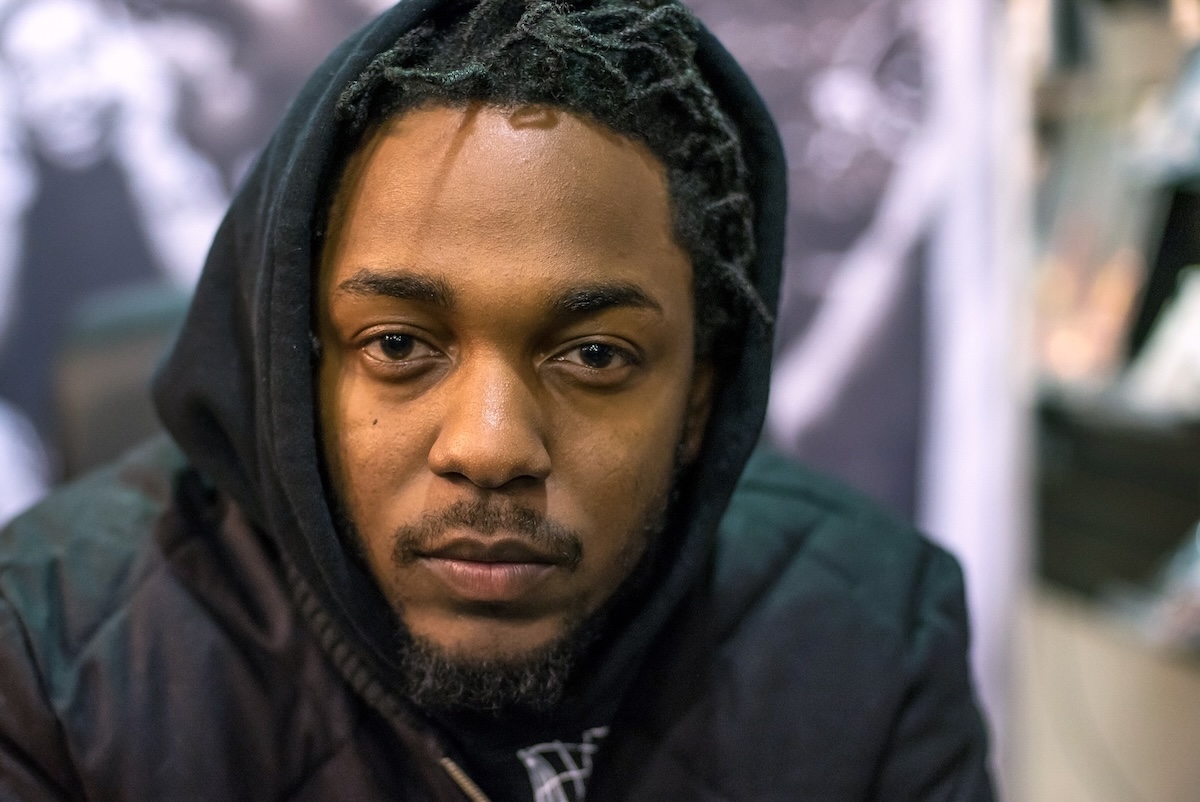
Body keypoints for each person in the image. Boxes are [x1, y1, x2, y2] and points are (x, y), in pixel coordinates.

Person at [0, 0, 994, 799]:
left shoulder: (870, 637)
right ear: (298, 365)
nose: (490, 446)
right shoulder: (50, 658)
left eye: (596, 355)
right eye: (398, 345)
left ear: (700, 397)